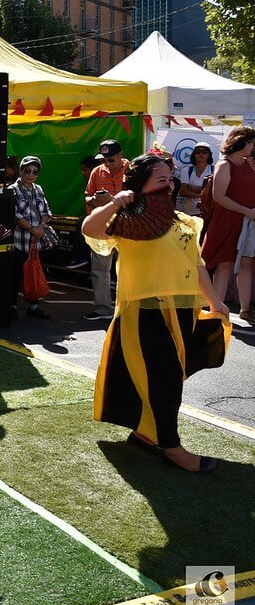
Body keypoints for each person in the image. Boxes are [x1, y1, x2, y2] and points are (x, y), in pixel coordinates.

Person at [82, 154, 231, 473]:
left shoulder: (185, 221)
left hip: (182, 312)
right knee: (165, 379)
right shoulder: (129, 218)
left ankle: (145, 433)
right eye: (160, 179)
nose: (170, 183)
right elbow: (90, 229)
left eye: (171, 177)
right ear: (139, 186)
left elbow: (197, 264)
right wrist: (115, 204)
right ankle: (172, 448)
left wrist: (215, 302)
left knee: (166, 377)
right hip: (144, 311)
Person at [200, 126, 255, 323]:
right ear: (241, 142)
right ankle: (216, 307)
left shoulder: (248, 163)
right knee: (221, 264)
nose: (253, 146)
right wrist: (246, 211)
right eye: (250, 142)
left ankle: (221, 307)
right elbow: (219, 197)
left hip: (244, 221)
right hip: (227, 221)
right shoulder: (224, 164)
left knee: (230, 264)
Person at [82, 139, 129, 321]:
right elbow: (86, 197)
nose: (106, 163)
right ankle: (103, 308)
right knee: (100, 268)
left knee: (127, 267)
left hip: (126, 225)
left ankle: (127, 307)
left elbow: (138, 199)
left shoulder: (132, 170)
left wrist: (111, 199)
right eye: (103, 160)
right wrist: (94, 200)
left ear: (120, 155)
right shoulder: (97, 171)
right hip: (103, 226)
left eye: (110, 159)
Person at [11, 156, 51, 319]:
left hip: (37, 242)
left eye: (35, 172)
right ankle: (12, 306)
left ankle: (33, 306)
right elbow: (15, 216)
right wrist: (33, 229)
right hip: (20, 241)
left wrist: (40, 227)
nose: (31, 175)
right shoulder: (12, 189)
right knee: (15, 275)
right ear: (20, 171)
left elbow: (46, 211)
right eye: (27, 171)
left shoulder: (38, 189)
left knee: (34, 272)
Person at [67, 155, 103, 269]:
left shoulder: (102, 178)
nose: (83, 173)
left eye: (85, 170)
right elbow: (88, 201)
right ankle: (81, 258)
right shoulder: (92, 181)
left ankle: (80, 258)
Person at [177, 142, 213, 217]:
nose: (201, 154)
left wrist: (192, 188)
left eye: (204, 152)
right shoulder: (186, 170)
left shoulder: (214, 170)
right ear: (194, 155)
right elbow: (183, 191)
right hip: (189, 214)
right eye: (198, 152)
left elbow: (214, 191)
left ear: (209, 155)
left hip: (208, 213)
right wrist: (203, 194)